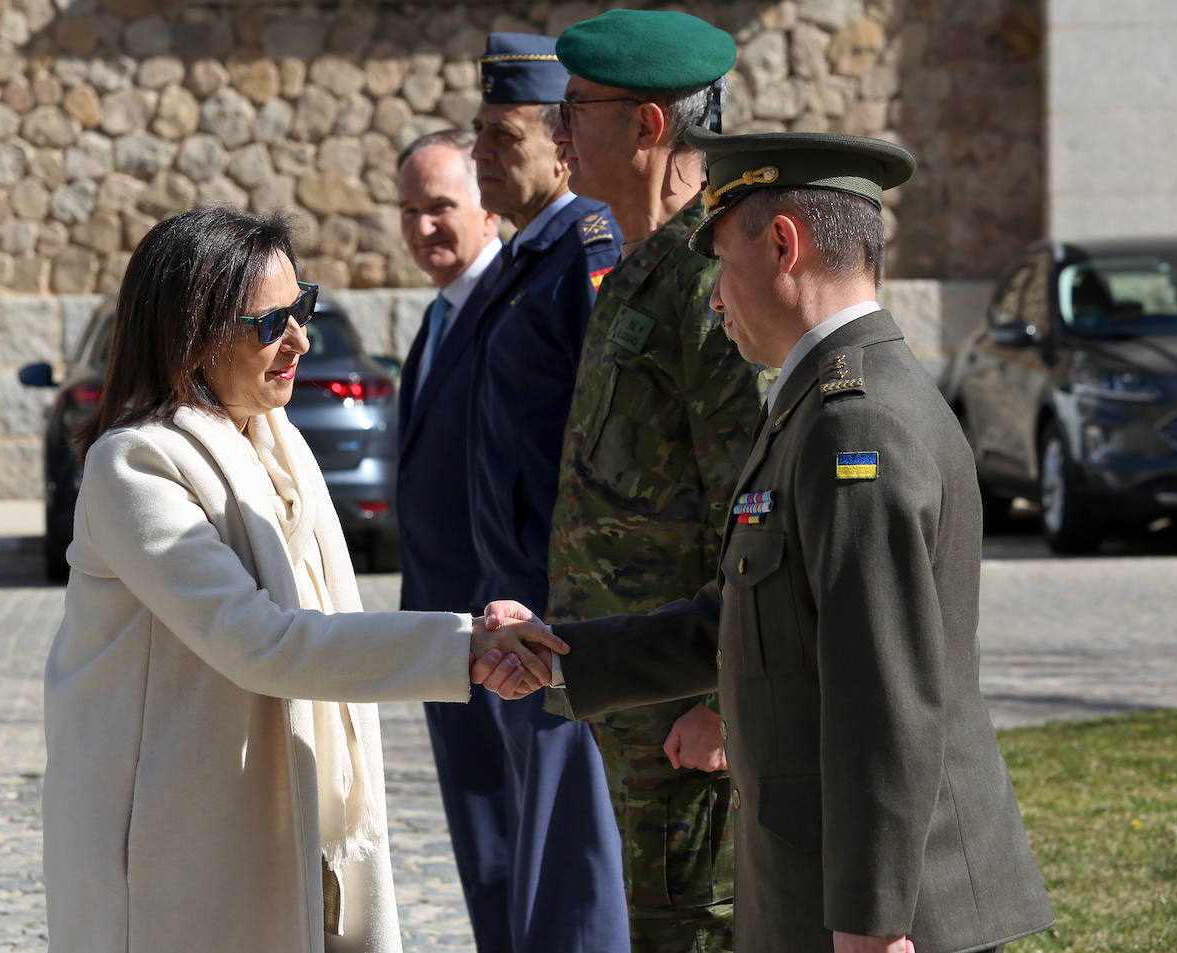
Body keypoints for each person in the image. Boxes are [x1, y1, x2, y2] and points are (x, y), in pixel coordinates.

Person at [476, 131, 1056, 953]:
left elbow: (884, 694)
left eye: (720, 264)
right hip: (822, 892)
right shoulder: (816, 405)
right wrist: (556, 656)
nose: (714, 299)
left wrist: (870, 921)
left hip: (883, 915)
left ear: (783, 245)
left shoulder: (858, 423)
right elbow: (738, 620)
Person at [41, 206, 562, 953]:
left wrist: (475, 639)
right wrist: (464, 647)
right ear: (192, 333)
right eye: (270, 323)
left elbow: (324, 617)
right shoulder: (134, 465)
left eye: (303, 307)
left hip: (281, 814)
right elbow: (261, 642)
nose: (300, 340)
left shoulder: (276, 440)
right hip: (171, 845)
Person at [542, 10, 767, 950]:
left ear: (647, 127)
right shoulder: (638, 266)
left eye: (575, 109)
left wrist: (726, 699)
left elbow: (755, 503)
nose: (557, 131)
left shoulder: (711, 279)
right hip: (633, 698)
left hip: (686, 713)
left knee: (698, 933)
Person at [421, 34, 630, 953]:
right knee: (523, 869)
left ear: (560, 144)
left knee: (574, 876)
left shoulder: (585, 249)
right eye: (478, 137)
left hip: (557, 612)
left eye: (502, 137)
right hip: (505, 607)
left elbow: (611, 436)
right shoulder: (516, 262)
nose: (482, 157)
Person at [394, 129, 503, 615]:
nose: (421, 229)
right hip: (440, 611)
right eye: (409, 211)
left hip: (496, 616)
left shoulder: (515, 309)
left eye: (439, 207)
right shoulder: (440, 314)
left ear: (490, 210)